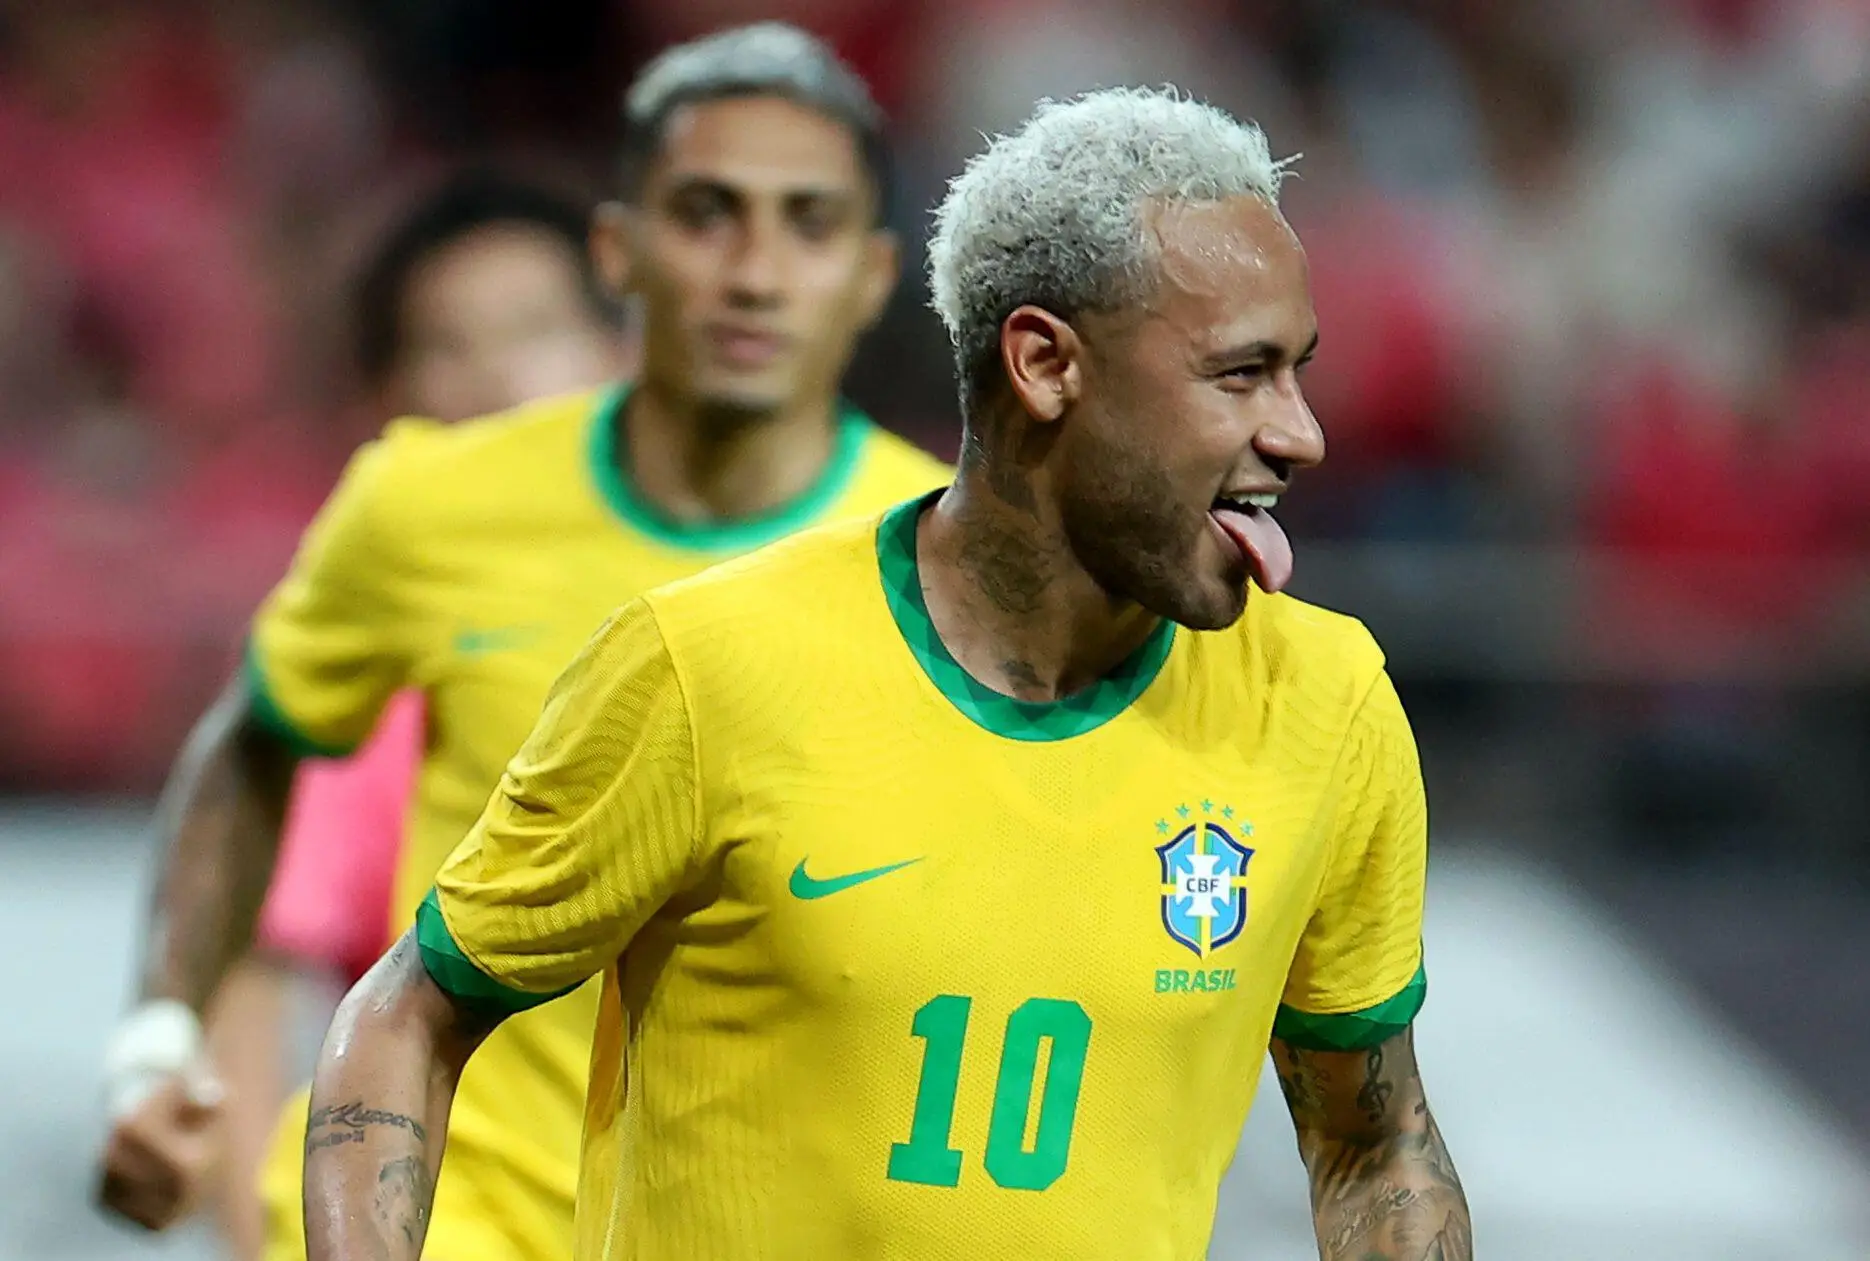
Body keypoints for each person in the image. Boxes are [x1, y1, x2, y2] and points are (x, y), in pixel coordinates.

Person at [302, 86, 1471, 1261]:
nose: (1300, 432)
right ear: (1043, 364)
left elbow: (1374, 1142)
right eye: (1240, 375)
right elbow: (408, 1016)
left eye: (1296, 370)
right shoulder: (708, 669)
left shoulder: (1325, 703)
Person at [94, 23, 947, 1261]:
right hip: (455, 1213)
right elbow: (256, 739)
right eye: (705, 215)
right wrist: (159, 1036)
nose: (754, 273)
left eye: (807, 224)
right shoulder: (428, 503)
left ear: (872, 275)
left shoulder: (937, 558)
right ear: (619, 249)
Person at [201, 168, 633, 1261]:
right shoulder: (391, 695)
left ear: (625, 348)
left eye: (533, 329)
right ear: (392, 396)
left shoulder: (712, 623)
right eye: (447, 344)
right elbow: (254, 972)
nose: (495, 376)